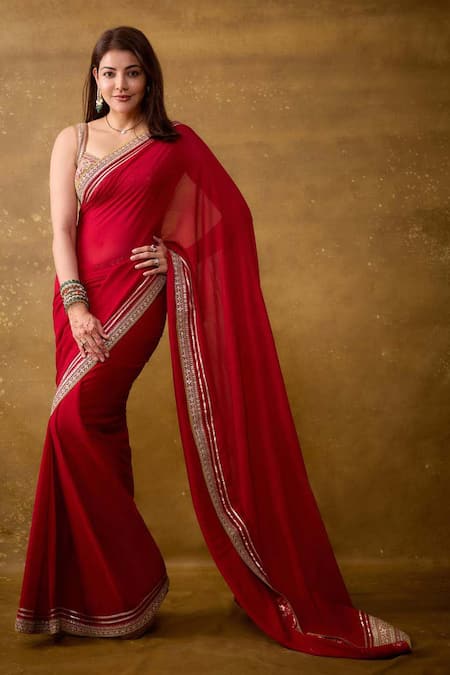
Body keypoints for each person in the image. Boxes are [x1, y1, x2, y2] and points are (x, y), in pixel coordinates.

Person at [15, 26, 412, 658]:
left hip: (136, 300)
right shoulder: (74, 140)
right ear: (94, 79)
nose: (120, 84)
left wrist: (173, 258)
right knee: (94, 429)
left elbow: (230, 220)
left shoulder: (174, 143)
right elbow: (63, 230)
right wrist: (76, 301)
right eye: (109, 73)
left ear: (149, 77)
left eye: (132, 72)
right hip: (77, 302)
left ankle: (131, 575)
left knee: (74, 423)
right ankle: (110, 597)